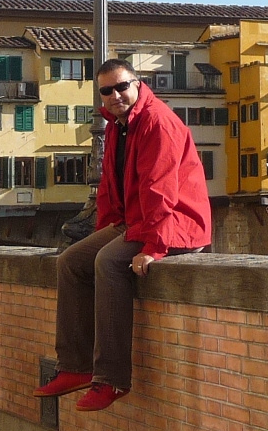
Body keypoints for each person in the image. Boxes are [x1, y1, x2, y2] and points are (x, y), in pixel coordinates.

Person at [33, 59, 212, 412]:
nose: (115, 95)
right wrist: (106, 230)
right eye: (106, 90)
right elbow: (110, 187)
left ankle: (112, 379)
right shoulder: (120, 124)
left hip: (175, 223)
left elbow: (161, 190)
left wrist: (154, 248)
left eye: (121, 86)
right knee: (71, 261)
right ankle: (75, 367)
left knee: (109, 262)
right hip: (138, 220)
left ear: (138, 84)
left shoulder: (157, 123)